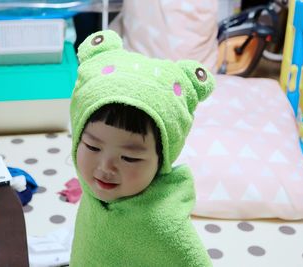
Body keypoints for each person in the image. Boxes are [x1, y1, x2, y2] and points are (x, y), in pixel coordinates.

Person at [69, 30, 215, 267]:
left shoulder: (161, 223)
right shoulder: (94, 186)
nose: (105, 167)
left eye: (129, 158)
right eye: (93, 147)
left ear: (161, 160)